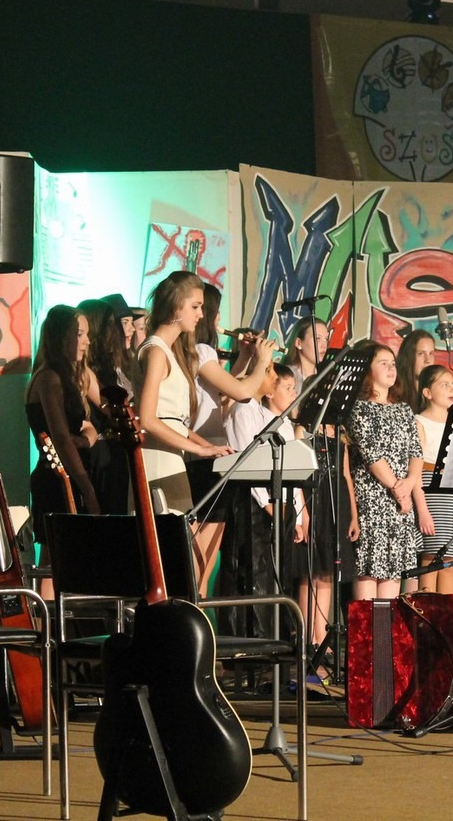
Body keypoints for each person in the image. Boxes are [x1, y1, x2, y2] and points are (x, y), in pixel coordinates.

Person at [189, 282, 277, 596]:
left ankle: (197, 607)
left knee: (204, 558)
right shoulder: (201, 351)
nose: (217, 321)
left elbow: (223, 393)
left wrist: (244, 358)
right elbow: (240, 392)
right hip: (204, 453)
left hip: (207, 452)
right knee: (200, 558)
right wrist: (261, 362)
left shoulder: (201, 354)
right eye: (215, 314)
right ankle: (194, 609)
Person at [135, 271, 232, 517]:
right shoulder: (156, 351)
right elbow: (147, 419)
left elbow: (172, 420)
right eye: (195, 306)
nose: (201, 314)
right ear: (176, 306)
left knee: (181, 532)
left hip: (171, 459)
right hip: (158, 461)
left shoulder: (168, 351)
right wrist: (198, 449)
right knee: (171, 533)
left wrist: (207, 446)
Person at [223, 363, 308, 638]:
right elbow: (247, 465)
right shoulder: (243, 411)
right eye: (269, 372)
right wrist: (268, 503)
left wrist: (296, 512)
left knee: (273, 574)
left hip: (278, 505)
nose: (271, 378)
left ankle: (273, 636)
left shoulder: (271, 418)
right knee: (251, 572)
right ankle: (249, 639)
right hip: (253, 504)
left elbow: (289, 470)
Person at [26, 305, 103, 597]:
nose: (87, 342)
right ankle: (46, 619)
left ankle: (60, 617)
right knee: (53, 558)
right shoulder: (49, 378)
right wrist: (88, 489)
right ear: (61, 337)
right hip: (56, 478)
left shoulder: (72, 376)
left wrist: (86, 439)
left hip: (72, 474)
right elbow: (60, 437)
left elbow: (88, 427)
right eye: (79, 334)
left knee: (68, 556)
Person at [345, 341, 425, 600]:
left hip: (400, 501)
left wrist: (409, 484)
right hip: (373, 498)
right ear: (368, 370)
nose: (391, 369)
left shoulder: (404, 409)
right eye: (383, 363)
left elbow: (416, 452)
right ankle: (368, 627)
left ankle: (384, 629)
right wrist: (398, 489)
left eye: (393, 364)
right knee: (370, 570)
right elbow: (372, 456)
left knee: (392, 572)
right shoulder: (359, 408)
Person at [414, 364, 453, 596]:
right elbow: (416, 472)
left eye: (452, 384)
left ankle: (447, 616)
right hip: (432, 493)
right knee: (430, 559)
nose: (451, 389)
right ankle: (427, 614)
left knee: (450, 561)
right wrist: (422, 510)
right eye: (444, 384)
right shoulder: (419, 422)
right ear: (427, 392)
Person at [75, 298, 132, 514]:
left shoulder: (112, 365)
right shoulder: (86, 370)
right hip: (102, 451)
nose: (115, 330)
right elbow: (109, 408)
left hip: (116, 449)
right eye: (110, 324)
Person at [392, 329, 437, 410]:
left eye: (431, 353)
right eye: (421, 354)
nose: (428, 360)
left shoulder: (436, 392)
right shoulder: (394, 392)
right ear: (408, 356)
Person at [283, 316, 329, 391]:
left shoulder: (325, 377)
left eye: (326, 339)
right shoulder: (286, 377)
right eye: (317, 338)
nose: (324, 345)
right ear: (299, 343)